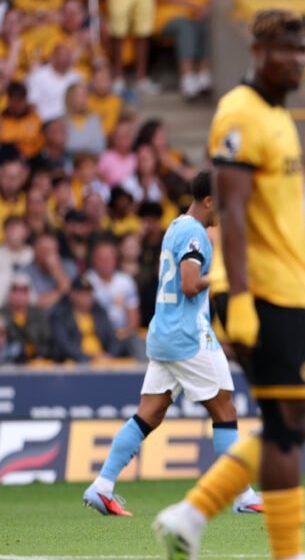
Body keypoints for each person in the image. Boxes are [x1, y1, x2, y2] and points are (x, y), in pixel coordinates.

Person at [152, 9, 305, 560]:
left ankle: (190, 518)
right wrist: (240, 300)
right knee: (289, 426)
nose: (297, 59)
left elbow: (282, 220)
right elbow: (236, 216)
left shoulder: (279, 116)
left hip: (289, 289)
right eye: (286, 48)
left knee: (285, 423)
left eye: (303, 48)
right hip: (260, 294)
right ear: (258, 49)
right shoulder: (240, 112)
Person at [82, 171, 261, 516]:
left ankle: (102, 485)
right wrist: (227, 276)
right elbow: (190, 284)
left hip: (164, 334)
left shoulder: (177, 226)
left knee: (150, 412)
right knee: (225, 411)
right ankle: (244, 496)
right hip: (188, 337)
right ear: (209, 201)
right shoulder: (195, 234)